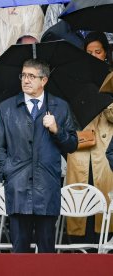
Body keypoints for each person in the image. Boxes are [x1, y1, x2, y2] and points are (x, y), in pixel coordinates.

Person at [0, 59, 78, 253]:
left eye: (32, 76)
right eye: (23, 75)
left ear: (44, 80)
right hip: (18, 188)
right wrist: (8, 172)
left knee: (46, 250)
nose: (26, 80)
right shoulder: (6, 108)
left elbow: (72, 145)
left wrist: (57, 130)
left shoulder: (60, 107)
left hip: (47, 188)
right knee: (19, 252)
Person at [65, 31, 113, 243]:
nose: (94, 55)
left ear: (105, 54)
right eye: (89, 52)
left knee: (104, 206)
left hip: (105, 150)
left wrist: (104, 97)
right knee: (80, 203)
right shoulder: (74, 78)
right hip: (81, 148)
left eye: (98, 51)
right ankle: (78, 249)